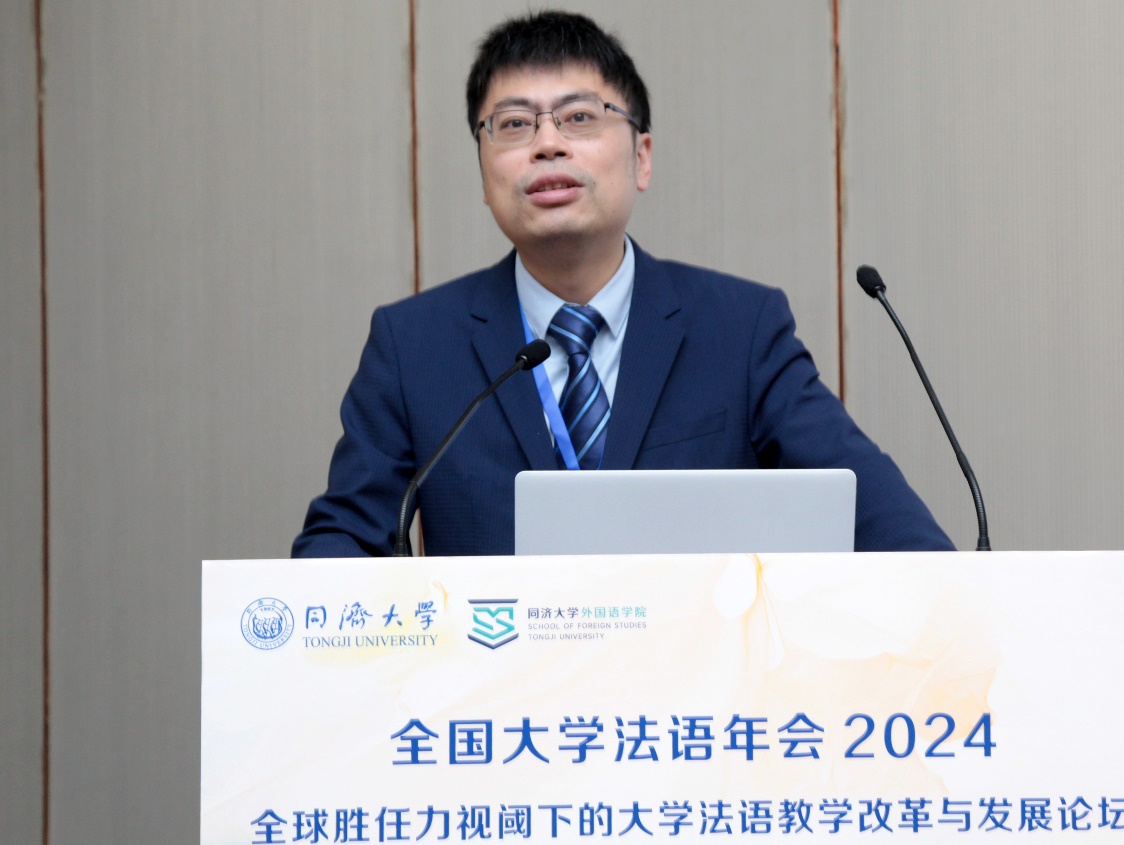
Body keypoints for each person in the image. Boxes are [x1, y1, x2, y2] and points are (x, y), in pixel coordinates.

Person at [293, 11, 953, 558]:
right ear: (484, 173)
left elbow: (885, 524)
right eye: (514, 124)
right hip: (496, 677)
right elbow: (339, 543)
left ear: (641, 156)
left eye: (580, 117)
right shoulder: (413, 345)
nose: (547, 144)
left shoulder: (741, 329)